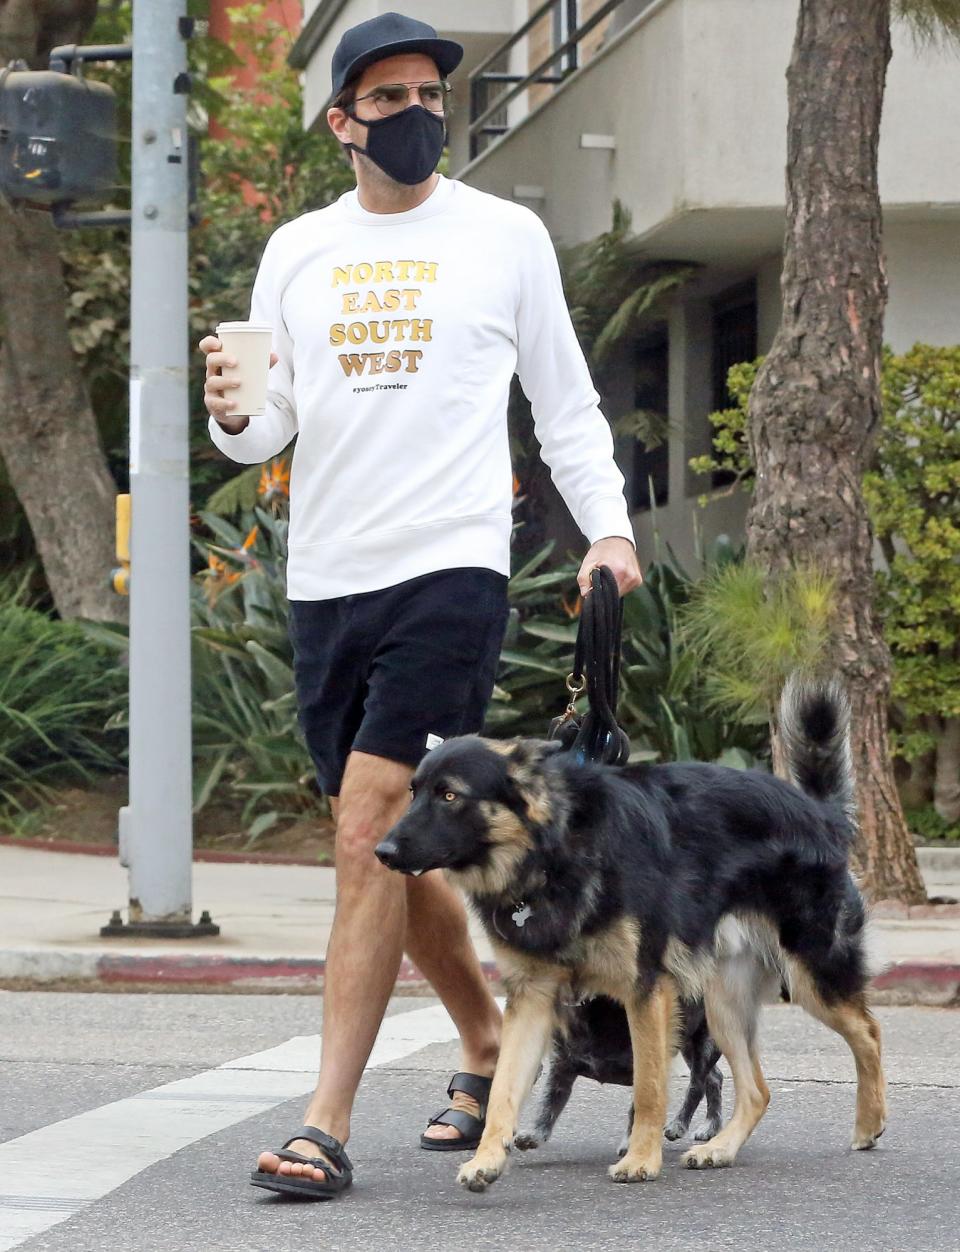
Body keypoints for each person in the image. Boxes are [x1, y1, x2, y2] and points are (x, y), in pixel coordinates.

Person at [199, 10, 642, 1201]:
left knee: (363, 829)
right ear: (342, 123)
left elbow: (564, 399)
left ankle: (323, 1121)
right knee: (396, 852)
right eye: (384, 101)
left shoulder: (503, 236)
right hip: (326, 579)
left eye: (426, 96)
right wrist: (235, 412)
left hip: (451, 570)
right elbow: (266, 425)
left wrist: (608, 528)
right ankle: (491, 1042)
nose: (414, 117)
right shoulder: (298, 248)